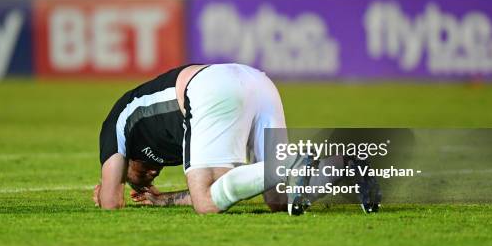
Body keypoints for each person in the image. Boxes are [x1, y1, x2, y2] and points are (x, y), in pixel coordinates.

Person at [92, 63, 380, 215]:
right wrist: (163, 200)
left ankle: (290, 161)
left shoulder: (117, 123)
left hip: (212, 87)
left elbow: (111, 203)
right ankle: (344, 165)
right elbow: (224, 187)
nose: (150, 174)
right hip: (257, 83)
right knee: (279, 199)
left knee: (206, 203)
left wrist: (107, 188)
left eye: (138, 175)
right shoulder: (162, 139)